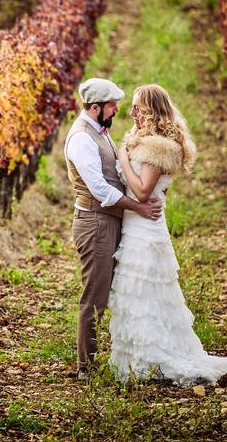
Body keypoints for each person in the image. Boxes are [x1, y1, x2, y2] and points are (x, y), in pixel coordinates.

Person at [107, 84, 227, 384]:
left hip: (145, 230)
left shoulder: (158, 147)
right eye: (132, 106)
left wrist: (122, 160)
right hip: (139, 225)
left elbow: (143, 191)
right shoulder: (145, 142)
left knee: (144, 293)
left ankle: (153, 358)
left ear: (152, 111)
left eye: (137, 107)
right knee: (141, 295)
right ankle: (137, 358)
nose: (131, 112)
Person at [64, 77, 162, 380]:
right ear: (96, 108)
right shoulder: (82, 138)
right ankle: (86, 367)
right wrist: (139, 207)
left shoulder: (98, 131)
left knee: (108, 292)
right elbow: (100, 190)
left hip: (107, 221)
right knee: (94, 295)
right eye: (112, 105)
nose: (117, 109)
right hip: (95, 223)